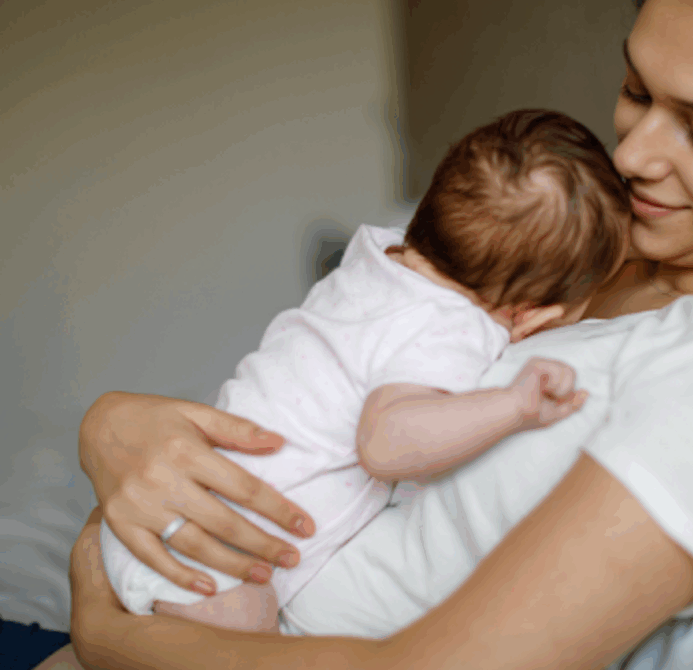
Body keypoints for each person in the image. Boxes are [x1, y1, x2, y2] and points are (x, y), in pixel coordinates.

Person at [56, 0, 693, 667]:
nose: (633, 155)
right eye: (634, 89)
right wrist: (111, 431)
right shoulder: (594, 250)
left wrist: (121, 641)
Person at [98, 108, 628, 632]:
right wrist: (514, 405)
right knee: (248, 647)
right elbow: (386, 442)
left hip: (166, 510)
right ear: (531, 315)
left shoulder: (376, 258)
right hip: (215, 552)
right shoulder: (451, 326)